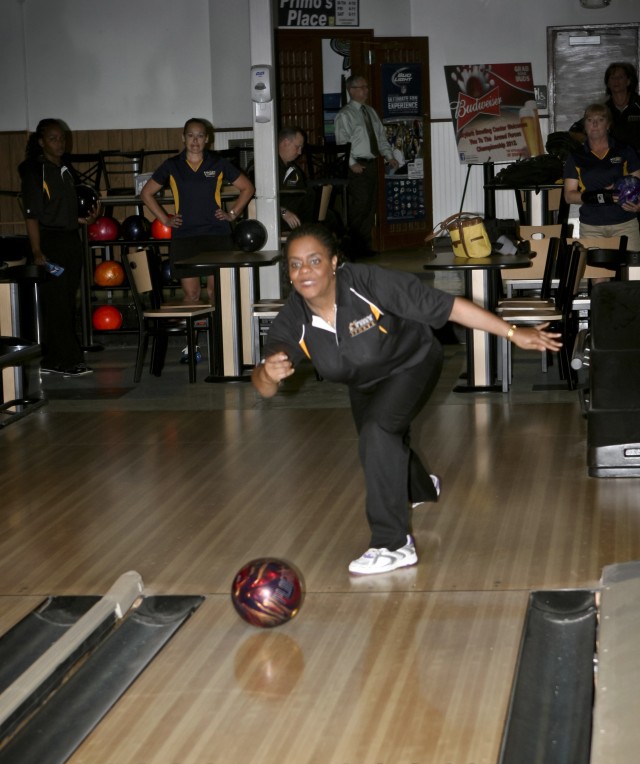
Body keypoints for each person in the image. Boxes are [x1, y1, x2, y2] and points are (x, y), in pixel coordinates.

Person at [251, 223, 562, 576]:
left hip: (412, 362)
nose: (304, 271)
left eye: (314, 260)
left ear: (334, 262)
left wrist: (512, 333)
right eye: (295, 264)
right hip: (363, 381)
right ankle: (421, 486)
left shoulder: (368, 283)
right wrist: (267, 373)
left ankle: (392, 544)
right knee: (381, 438)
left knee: (378, 433)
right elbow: (264, 386)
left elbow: (448, 307)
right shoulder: (294, 318)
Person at [141, 118, 254, 307]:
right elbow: (146, 193)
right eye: (191, 136)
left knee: (216, 294)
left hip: (216, 234)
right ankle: (195, 337)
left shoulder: (218, 163)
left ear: (207, 139)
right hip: (185, 236)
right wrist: (165, 220)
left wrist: (232, 214)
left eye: (200, 136)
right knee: (192, 295)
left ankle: (220, 337)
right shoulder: (172, 165)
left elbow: (248, 188)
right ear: (183, 138)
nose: (195, 141)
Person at [19, 118, 99, 377]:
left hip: (69, 239)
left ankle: (52, 358)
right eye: (53, 138)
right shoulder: (34, 170)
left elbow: (58, 208)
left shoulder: (63, 168)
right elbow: (32, 215)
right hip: (49, 242)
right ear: (41, 142)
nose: (60, 143)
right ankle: (68, 360)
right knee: (57, 304)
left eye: (62, 138)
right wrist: (37, 252)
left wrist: (83, 219)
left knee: (65, 302)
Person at [334, 75, 398, 258]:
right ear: (351, 90)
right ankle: (348, 247)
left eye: (366, 87)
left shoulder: (370, 112)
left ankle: (363, 247)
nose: (366, 90)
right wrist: (352, 163)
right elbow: (342, 143)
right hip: (356, 166)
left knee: (370, 206)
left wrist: (389, 156)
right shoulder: (344, 115)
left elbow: (380, 137)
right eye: (362, 87)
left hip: (371, 165)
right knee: (359, 206)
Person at [563, 102, 640, 252]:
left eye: (600, 119)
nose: (595, 124)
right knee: (598, 274)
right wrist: (601, 196)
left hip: (625, 224)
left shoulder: (625, 151)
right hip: (592, 226)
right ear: (584, 126)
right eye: (590, 120)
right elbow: (569, 196)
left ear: (608, 125)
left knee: (633, 273)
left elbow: (638, 184)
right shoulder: (576, 156)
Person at [571, 63, 640, 154]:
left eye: (620, 77)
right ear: (608, 83)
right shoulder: (604, 109)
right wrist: (593, 143)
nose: (616, 81)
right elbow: (575, 130)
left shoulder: (638, 104)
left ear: (628, 81)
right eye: (612, 78)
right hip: (613, 162)